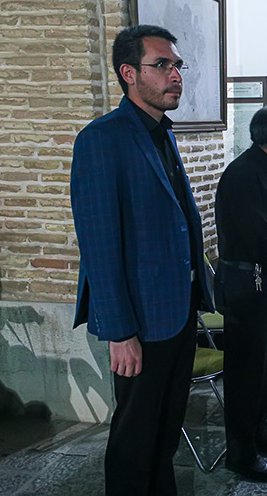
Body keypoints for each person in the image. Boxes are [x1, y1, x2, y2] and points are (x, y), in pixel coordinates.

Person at [70, 25, 214, 494]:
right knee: (135, 436)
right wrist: (120, 332)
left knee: (165, 429)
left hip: (177, 309)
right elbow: (99, 244)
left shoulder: (160, 133)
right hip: (140, 319)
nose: (176, 75)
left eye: (177, 65)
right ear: (129, 73)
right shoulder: (102, 139)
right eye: (162, 65)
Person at [214, 104, 267, 483]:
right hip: (245, 284)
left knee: (264, 365)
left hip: (265, 279)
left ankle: (259, 432)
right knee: (246, 372)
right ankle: (241, 453)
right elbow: (258, 235)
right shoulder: (245, 174)